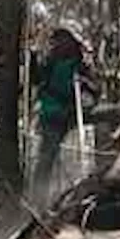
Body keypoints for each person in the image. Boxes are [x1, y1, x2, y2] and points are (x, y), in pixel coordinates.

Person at [31, 27, 97, 196]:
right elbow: (36, 79)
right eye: (56, 40)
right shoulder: (50, 62)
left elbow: (95, 89)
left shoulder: (79, 63)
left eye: (62, 39)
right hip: (51, 115)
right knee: (46, 159)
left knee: (107, 118)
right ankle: (38, 197)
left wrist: (84, 83)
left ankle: (92, 178)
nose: (58, 44)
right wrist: (31, 57)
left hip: (73, 113)